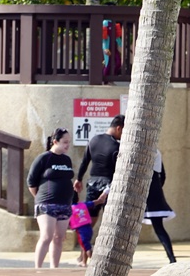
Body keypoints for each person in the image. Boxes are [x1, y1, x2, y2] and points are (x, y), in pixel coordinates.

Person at [27, 127, 77, 269]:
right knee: (46, 236)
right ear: (55, 141)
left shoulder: (67, 160)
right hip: (46, 204)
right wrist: (40, 198)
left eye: (69, 142)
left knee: (59, 238)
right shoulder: (44, 158)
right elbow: (31, 182)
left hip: (64, 205)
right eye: (65, 142)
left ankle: (54, 269)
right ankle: (38, 269)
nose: (67, 145)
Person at [74, 114, 125, 218]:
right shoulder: (117, 146)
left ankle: (86, 235)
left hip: (93, 183)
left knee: (88, 218)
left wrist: (78, 179)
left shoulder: (93, 140)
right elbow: (118, 170)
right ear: (118, 128)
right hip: (109, 185)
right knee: (110, 218)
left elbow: (84, 162)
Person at [142, 149, 177, 263]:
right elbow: (163, 175)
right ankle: (172, 259)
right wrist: (157, 187)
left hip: (146, 189)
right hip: (153, 189)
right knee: (159, 228)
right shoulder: (155, 150)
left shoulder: (147, 150)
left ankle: (172, 259)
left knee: (158, 228)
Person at [71, 187, 109, 267]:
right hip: (88, 228)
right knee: (85, 246)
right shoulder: (83, 205)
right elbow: (97, 201)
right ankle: (84, 262)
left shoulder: (69, 209)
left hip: (81, 231)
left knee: (87, 247)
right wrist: (104, 193)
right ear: (77, 198)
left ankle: (95, 262)